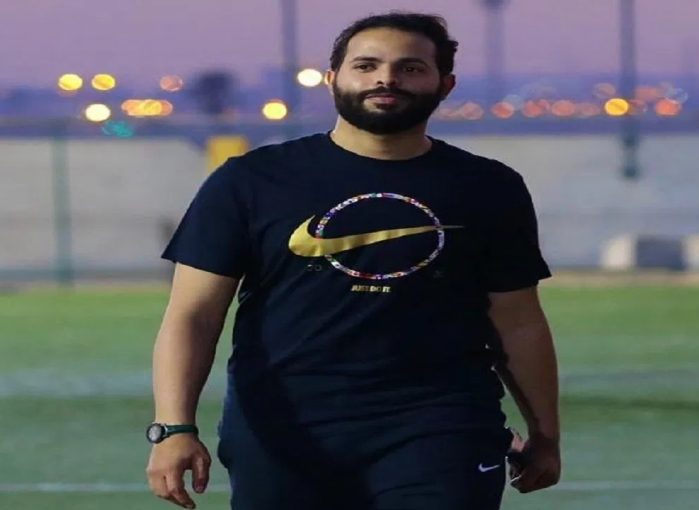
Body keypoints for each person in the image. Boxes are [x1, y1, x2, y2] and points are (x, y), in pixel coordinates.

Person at [145, 11, 561, 510]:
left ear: (445, 84)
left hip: (443, 426)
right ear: (332, 79)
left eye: (411, 68)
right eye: (366, 65)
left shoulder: (489, 186)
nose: (387, 78)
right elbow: (193, 314)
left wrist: (546, 433)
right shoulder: (250, 181)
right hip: (281, 430)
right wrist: (173, 428)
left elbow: (518, 321)